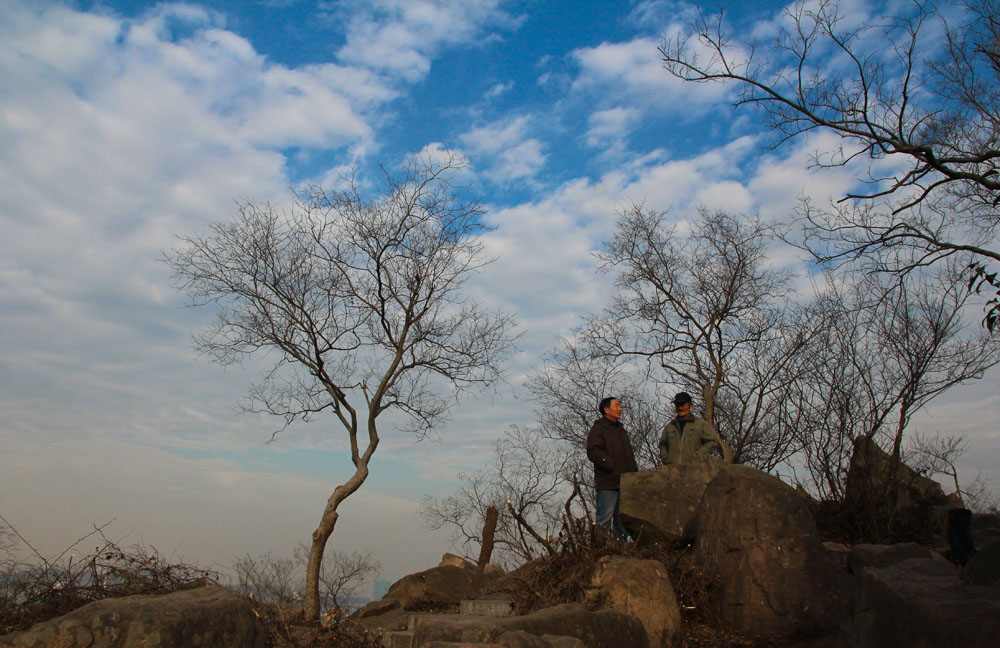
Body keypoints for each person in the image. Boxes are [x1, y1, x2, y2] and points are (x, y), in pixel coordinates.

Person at [586, 396, 638, 540]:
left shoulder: (621, 430)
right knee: (604, 519)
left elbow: (628, 455)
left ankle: (621, 550)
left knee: (622, 522)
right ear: (606, 410)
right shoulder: (599, 428)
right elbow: (593, 450)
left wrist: (633, 473)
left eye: (620, 406)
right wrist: (609, 464)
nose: (620, 409)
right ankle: (600, 549)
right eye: (616, 406)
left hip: (625, 482)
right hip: (608, 482)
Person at [659, 391, 724, 465]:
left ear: (691, 406)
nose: (680, 408)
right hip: (672, 470)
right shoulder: (669, 426)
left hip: (694, 469)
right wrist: (666, 459)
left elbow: (711, 442)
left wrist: (699, 456)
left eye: (682, 405)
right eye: (677, 405)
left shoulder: (701, 424)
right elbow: (662, 444)